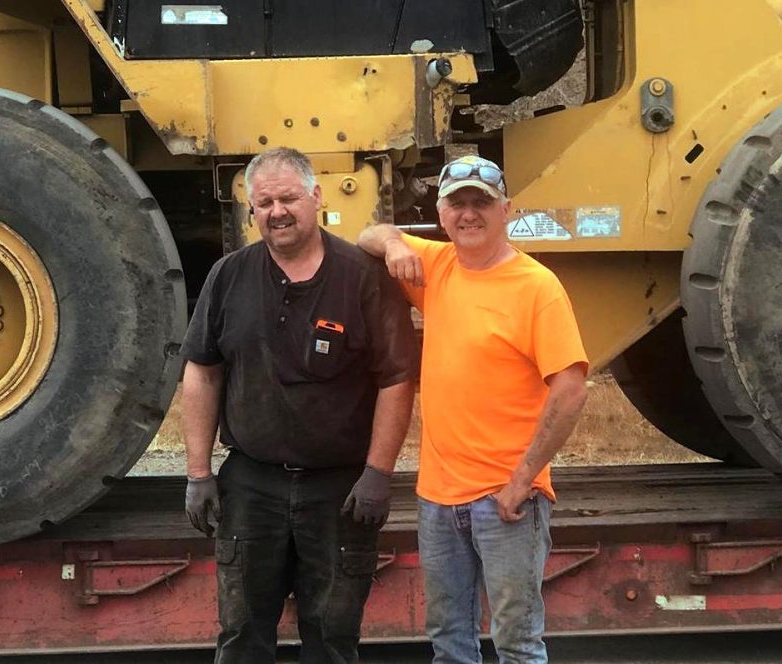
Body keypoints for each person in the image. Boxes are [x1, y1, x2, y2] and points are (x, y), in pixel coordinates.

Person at [180, 147, 418, 664]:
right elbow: (202, 371)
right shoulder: (228, 276)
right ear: (251, 211)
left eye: (287, 197)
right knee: (241, 637)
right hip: (250, 485)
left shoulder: (363, 277)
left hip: (339, 490)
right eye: (263, 202)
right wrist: (199, 472)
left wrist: (378, 474)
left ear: (315, 197)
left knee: (332, 637)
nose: (276, 212)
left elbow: (397, 379)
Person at [358, 155, 589, 664]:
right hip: (437, 499)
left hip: (506, 500)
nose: (468, 214)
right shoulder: (436, 267)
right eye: (457, 203)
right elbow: (367, 234)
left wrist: (523, 478)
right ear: (440, 213)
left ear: (506, 209)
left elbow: (570, 389)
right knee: (449, 641)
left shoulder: (537, 287)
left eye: (480, 203)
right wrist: (396, 243)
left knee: (517, 643)